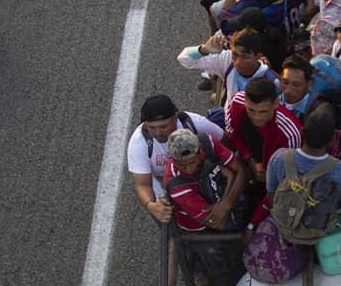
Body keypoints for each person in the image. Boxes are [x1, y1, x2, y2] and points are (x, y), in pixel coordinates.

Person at [265, 105, 341, 241]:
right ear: (332, 138)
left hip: (286, 227)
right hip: (322, 234)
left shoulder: (279, 158)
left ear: (302, 131)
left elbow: (271, 195)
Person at [128, 95, 223, 225]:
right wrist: (152, 206)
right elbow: (142, 184)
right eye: (152, 128)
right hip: (165, 181)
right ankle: (175, 237)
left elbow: (226, 141)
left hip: (202, 170)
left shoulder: (194, 123)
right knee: (164, 212)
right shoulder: (138, 143)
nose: (158, 133)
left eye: (163, 126)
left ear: (175, 117)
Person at [177, 27, 278, 125]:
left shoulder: (272, 81)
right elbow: (184, 60)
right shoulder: (227, 60)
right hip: (228, 120)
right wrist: (204, 49)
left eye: (245, 57)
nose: (238, 62)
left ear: (258, 56)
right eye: (235, 55)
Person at [163, 129, 248, 234]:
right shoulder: (175, 184)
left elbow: (241, 170)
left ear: (201, 150)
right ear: (172, 159)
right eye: (181, 165)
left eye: (192, 162)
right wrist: (230, 179)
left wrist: (226, 203)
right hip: (201, 229)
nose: (188, 169)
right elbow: (214, 220)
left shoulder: (207, 142)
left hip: (222, 199)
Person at [224, 78, 302, 192]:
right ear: (245, 100)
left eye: (263, 112)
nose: (256, 117)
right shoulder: (236, 103)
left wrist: (270, 178)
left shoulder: (290, 134)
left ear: (276, 103)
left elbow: (290, 173)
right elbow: (234, 134)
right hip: (246, 156)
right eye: (251, 110)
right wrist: (250, 160)